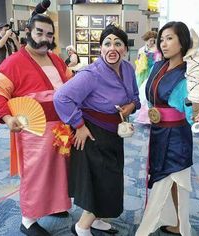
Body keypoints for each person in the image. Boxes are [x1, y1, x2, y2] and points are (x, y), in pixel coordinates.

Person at [0, 10, 73, 236]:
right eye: (39, 32)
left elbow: (72, 85)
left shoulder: (55, 59)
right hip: (34, 128)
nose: (44, 38)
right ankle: (27, 219)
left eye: (49, 34)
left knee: (60, 169)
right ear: (28, 32)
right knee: (36, 172)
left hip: (61, 125)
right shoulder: (13, 62)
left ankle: (54, 206)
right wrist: (7, 117)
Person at [54, 23, 141, 236]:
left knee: (109, 177)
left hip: (115, 132)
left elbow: (136, 98)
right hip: (93, 133)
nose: (112, 48)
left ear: (125, 49)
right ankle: (82, 226)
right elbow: (61, 98)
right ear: (100, 48)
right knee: (104, 181)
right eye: (107, 43)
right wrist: (79, 125)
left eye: (118, 43)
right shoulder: (91, 74)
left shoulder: (128, 68)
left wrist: (131, 106)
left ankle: (97, 219)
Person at [135, 21, 199, 236]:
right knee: (168, 180)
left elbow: (196, 108)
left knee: (172, 180)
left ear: (183, 42)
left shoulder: (189, 75)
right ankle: (177, 223)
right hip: (158, 132)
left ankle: (153, 228)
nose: (164, 43)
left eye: (170, 38)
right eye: (162, 39)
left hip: (177, 136)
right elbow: (149, 96)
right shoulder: (159, 66)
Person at [134, 30, 161, 124]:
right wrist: (137, 71)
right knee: (140, 91)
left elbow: (158, 61)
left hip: (152, 71)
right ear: (146, 40)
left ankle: (149, 114)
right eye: (150, 40)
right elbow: (138, 61)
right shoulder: (141, 49)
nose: (152, 42)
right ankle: (141, 113)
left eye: (153, 40)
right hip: (142, 73)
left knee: (149, 91)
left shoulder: (157, 49)